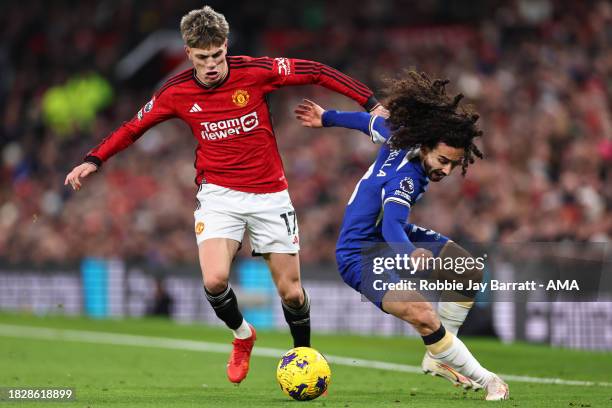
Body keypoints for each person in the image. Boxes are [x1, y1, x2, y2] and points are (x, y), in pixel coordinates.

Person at [64, 5, 387, 384]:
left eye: (217, 54)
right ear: (188, 54)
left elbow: (315, 71)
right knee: (215, 281)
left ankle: (303, 356)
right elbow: (133, 127)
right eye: (203, 57)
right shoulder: (175, 92)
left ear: (225, 46)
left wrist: (371, 104)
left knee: (293, 294)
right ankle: (242, 335)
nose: (213, 64)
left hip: (271, 195)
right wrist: (94, 159)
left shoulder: (255, 71)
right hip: (219, 195)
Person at [294, 71, 509, 401]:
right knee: (423, 314)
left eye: (454, 163)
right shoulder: (405, 179)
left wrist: (327, 118)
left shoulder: (399, 134)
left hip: (387, 234)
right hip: (360, 253)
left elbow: (368, 122)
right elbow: (393, 222)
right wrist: (408, 252)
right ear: (426, 147)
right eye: (441, 161)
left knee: (467, 271)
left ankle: (439, 355)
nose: (446, 171)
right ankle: (488, 380)